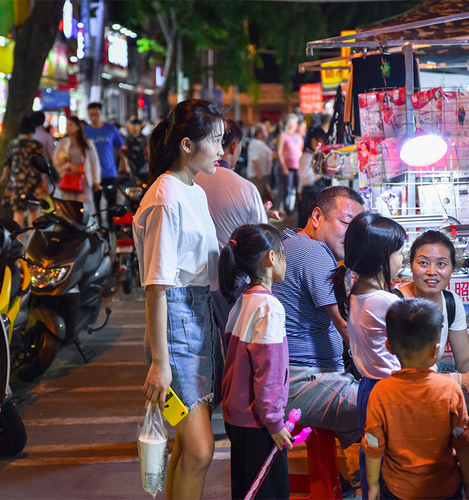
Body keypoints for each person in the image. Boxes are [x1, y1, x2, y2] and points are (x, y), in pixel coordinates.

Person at [133, 99, 224, 500]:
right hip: (177, 322)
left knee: (189, 447)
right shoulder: (165, 198)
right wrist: (159, 362)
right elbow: (157, 285)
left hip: (198, 315)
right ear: (187, 144)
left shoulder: (193, 191)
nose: (221, 150)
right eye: (216, 141)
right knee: (201, 449)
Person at [396, 230, 469, 491]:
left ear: (452, 269)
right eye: (423, 262)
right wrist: (459, 379)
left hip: (437, 385)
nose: (431, 271)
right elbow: (402, 374)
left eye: (441, 264)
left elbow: (466, 357)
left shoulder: (451, 301)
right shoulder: (396, 302)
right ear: (411, 264)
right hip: (405, 391)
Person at [271, 186, 365, 449]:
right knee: (386, 404)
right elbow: (347, 327)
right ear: (316, 217)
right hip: (302, 381)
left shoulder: (289, 242)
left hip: (292, 379)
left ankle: (349, 475)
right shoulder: (315, 252)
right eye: (345, 223)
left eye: (357, 229)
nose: (351, 236)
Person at [363, 298, 469, 500]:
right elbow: (463, 443)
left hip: (398, 490)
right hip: (446, 489)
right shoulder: (450, 390)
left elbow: (373, 444)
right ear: (435, 350)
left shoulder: (381, 392)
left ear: (389, 347)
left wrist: (372, 487)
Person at [330, 212, 406, 499]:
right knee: (396, 466)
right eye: (399, 253)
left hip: (369, 389)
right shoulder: (385, 301)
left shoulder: (355, 293)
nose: (402, 259)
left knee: (375, 459)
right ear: (381, 258)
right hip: (393, 393)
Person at [219, 224, 291, 499]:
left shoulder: (243, 301)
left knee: (246, 491)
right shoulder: (269, 307)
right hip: (258, 423)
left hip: (237, 418)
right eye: (283, 253)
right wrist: (274, 422)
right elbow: (268, 373)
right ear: (271, 258)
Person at [194, 119, 270, 334]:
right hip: (233, 283)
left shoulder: (191, 183)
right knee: (235, 350)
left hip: (195, 282)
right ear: (234, 146)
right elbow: (261, 238)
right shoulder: (245, 188)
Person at [0, 116, 46, 227]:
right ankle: (31, 239)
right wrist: (44, 183)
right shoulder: (36, 145)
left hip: (17, 181)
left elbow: (7, 162)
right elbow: (41, 165)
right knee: (34, 210)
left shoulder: (14, 143)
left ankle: (18, 240)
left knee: (18, 211)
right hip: (33, 181)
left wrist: (4, 176)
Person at [85, 102, 126, 227]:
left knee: (112, 204)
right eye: (91, 115)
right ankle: (99, 229)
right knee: (95, 204)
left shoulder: (110, 129)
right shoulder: (85, 131)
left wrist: (125, 164)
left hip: (109, 172)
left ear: (101, 114)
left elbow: (121, 147)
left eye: (96, 114)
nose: (94, 118)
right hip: (93, 175)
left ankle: (112, 230)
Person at [52, 116, 101, 215]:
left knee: (84, 208)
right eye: (67, 125)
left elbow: (94, 162)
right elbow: (56, 160)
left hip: (83, 181)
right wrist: (67, 165)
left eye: (70, 125)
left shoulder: (87, 143)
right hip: (68, 180)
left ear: (78, 127)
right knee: (68, 208)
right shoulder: (63, 143)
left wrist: (96, 180)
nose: (67, 128)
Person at [298, 126, 328, 228]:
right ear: (312, 140)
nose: (319, 145)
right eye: (318, 142)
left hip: (312, 196)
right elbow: (307, 180)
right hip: (309, 197)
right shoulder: (306, 157)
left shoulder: (313, 155)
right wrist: (324, 173)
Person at [276, 114, 302, 216]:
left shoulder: (297, 135)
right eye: (295, 123)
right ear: (291, 124)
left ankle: (296, 209)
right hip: (288, 167)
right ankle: (287, 212)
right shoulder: (282, 135)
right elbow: (279, 152)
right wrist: (283, 167)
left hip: (298, 167)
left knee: (298, 189)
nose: (296, 125)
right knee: (287, 190)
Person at [247, 123, 273, 201]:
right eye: (264, 130)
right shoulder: (256, 143)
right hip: (257, 176)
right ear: (259, 133)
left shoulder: (260, 143)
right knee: (258, 198)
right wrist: (259, 174)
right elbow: (254, 160)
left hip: (261, 175)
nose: (266, 132)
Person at [123, 115, 148, 184]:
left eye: (136, 125)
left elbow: (147, 150)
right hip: (131, 164)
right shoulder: (128, 138)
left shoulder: (144, 138)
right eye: (133, 125)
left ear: (140, 126)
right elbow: (124, 150)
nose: (134, 127)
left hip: (142, 164)